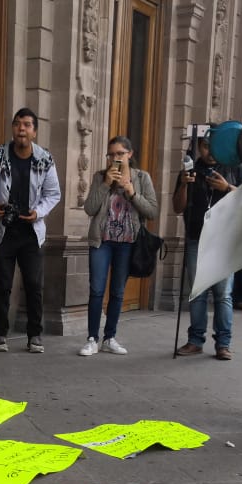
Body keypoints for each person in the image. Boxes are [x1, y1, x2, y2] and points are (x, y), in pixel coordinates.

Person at [0, 108, 62, 354]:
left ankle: (35, 335)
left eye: (27, 125)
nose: (21, 129)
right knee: (2, 284)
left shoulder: (44, 159)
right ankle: (0, 335)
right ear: (13, 128)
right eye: (17, 124)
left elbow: (53, 194)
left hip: (31, 231)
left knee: (34, 284)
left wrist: (37, 213)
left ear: (34, 131)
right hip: (3, 231)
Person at [80, 135, 158, 356]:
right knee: (96, 290)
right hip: (101, 241)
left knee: (117, 292)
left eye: (120, 154)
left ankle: (109, 337)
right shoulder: (99, 177)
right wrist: (105, 184)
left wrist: (133, 193)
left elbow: (152, 211)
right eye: (111, 154)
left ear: (129, 155)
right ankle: (92, 339)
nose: (115, 158)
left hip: (127, 243)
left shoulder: (142, 178)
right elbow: (89, 208)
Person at [172, 133, 242, 359]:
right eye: (205, 146)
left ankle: (223, 343)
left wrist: (227, 187)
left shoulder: (234, 168)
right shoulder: (190, 170)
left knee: (223, 294)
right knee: (197, 292)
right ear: (199, 147)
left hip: (224, 240)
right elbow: (177, 207)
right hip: (197, 238)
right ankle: (195, 340)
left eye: (214, 147)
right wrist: (184, 185)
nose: (210, 152)